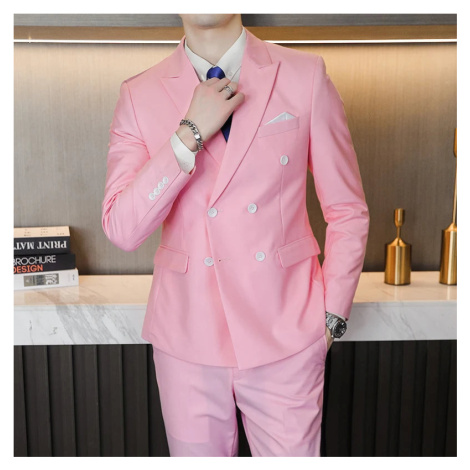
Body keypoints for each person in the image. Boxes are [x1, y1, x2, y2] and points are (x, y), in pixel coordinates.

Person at [102, 14, 369, 457]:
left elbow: (346, 209)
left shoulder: (304, 75)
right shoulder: (138, 93)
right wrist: (187, 135)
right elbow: (122, 228)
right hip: (187, 336)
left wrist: (330, 319)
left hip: (287, 332)